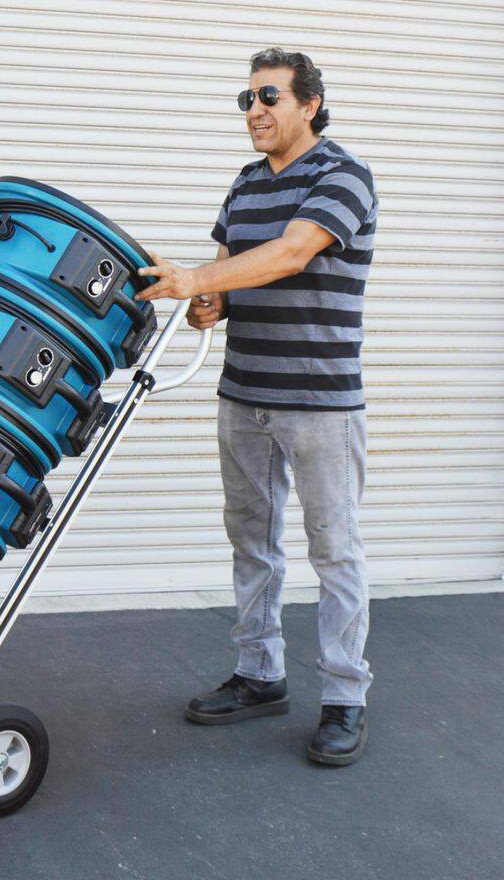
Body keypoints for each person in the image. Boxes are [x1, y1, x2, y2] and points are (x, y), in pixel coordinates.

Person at [134, 47, 378, 766]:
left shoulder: (344, 176)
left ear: (309, 105)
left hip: (320, 402)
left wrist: (197, 280)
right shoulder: (244, 184)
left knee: (334, 549)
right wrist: (208, 303)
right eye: (247, 99)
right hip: (244, 394)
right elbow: (227, 279)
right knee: (252, 541)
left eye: (269, 96)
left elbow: (292, 253)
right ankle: (259, 674)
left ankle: (345, 697)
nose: (255, 111)